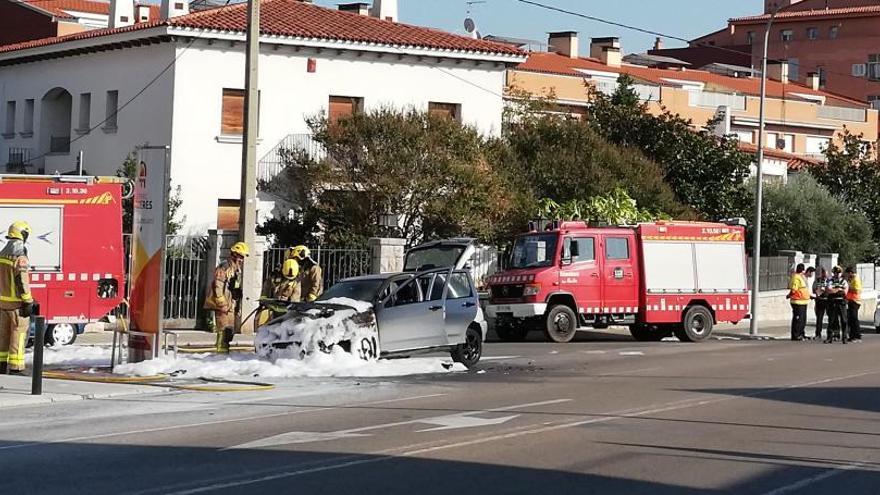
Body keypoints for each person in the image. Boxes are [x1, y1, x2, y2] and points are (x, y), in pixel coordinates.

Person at [0, 221, 34, 375]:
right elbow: (22, 281)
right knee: (18, 335)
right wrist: (28, 301)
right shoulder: (20, 257)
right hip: (16, 306)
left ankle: (1, 367)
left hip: (2, 305)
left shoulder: (2, 254)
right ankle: (16, 368)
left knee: (3, 335)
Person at [203, 241, 248, 353]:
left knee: (229, 331)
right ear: (234, 254)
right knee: (223, 330)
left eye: (243, 257)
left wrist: (237, 304)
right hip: (223, 305)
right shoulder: (224, 267)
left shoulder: (236, 269)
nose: (242, 260)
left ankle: (225, 350)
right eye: (240, 257)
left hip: (231, 305)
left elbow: (234, 287)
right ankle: (220, 353)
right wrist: (222, 304)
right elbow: (218, 286)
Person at [824, 266, 848, 344]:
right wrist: (838, 289)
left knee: (844, 321)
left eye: (838, 273)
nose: (837, 274)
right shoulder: (830, 281)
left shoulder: (844, 281)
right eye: (835, 273)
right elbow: (828, 290)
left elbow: (844, 292)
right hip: (832, 303)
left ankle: (844, 338)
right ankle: (829, 337)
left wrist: (835, 290)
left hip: (841, 303)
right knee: (831, 321)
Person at [786, 263, 810, 341]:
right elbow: (793, 290)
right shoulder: (796, 277)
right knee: (798, 319)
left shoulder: (801, 277)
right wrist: (789, 295)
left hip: (803, 301)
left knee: (803, 319)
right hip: (797, 301)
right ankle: (796, 335)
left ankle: (801, 333)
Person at [844, 266, 863, 342]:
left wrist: (849, 288)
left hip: (855, 301)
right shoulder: (851, 279)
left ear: (851, 273)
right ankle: (852, 336)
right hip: (851, 300)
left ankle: (857, 336)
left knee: (854, 319)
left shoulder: (856, 279)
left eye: (848, 274)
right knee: (850, 319)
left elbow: (857, 291)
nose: (847, 275)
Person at [811, 267, 829, 341]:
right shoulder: (817, 280)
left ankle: (832, 334)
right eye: (824, 273)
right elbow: (814, 289)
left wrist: (825, 291)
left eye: (826, 274)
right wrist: (817, 291)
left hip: (828, 301)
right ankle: (818, 334)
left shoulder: (829, 281)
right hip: (819, 301)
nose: (825, 275)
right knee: (819, 318)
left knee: (831, 318)